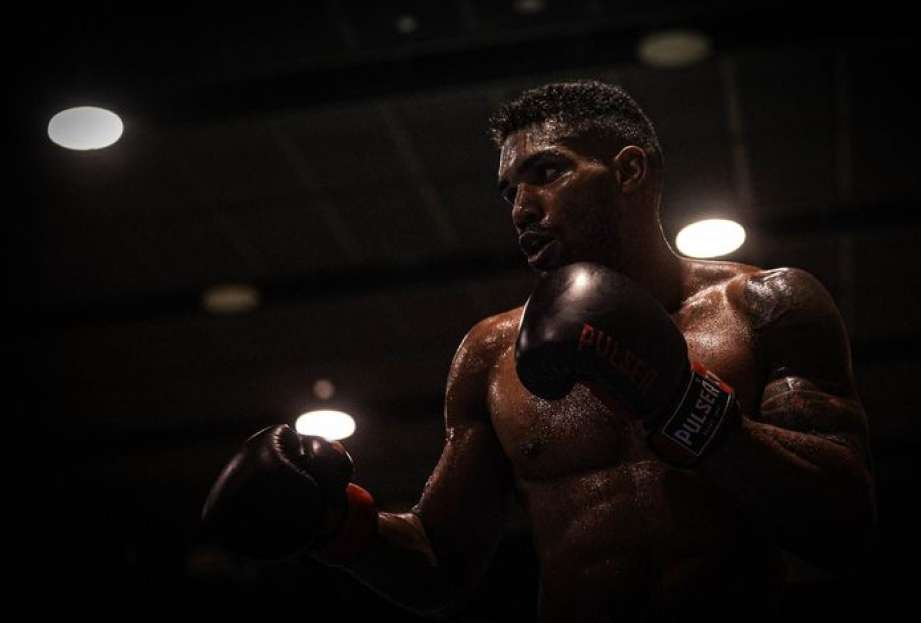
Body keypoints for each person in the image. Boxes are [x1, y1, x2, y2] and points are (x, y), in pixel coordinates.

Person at [201, 80, 878, 621]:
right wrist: (335, 525)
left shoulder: (768, 305)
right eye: (508, 190)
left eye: (546, 172)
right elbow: (441, 562)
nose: (522, 206)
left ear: (630, 170)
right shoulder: (490, 354)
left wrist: (683, 403)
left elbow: (845, 522)